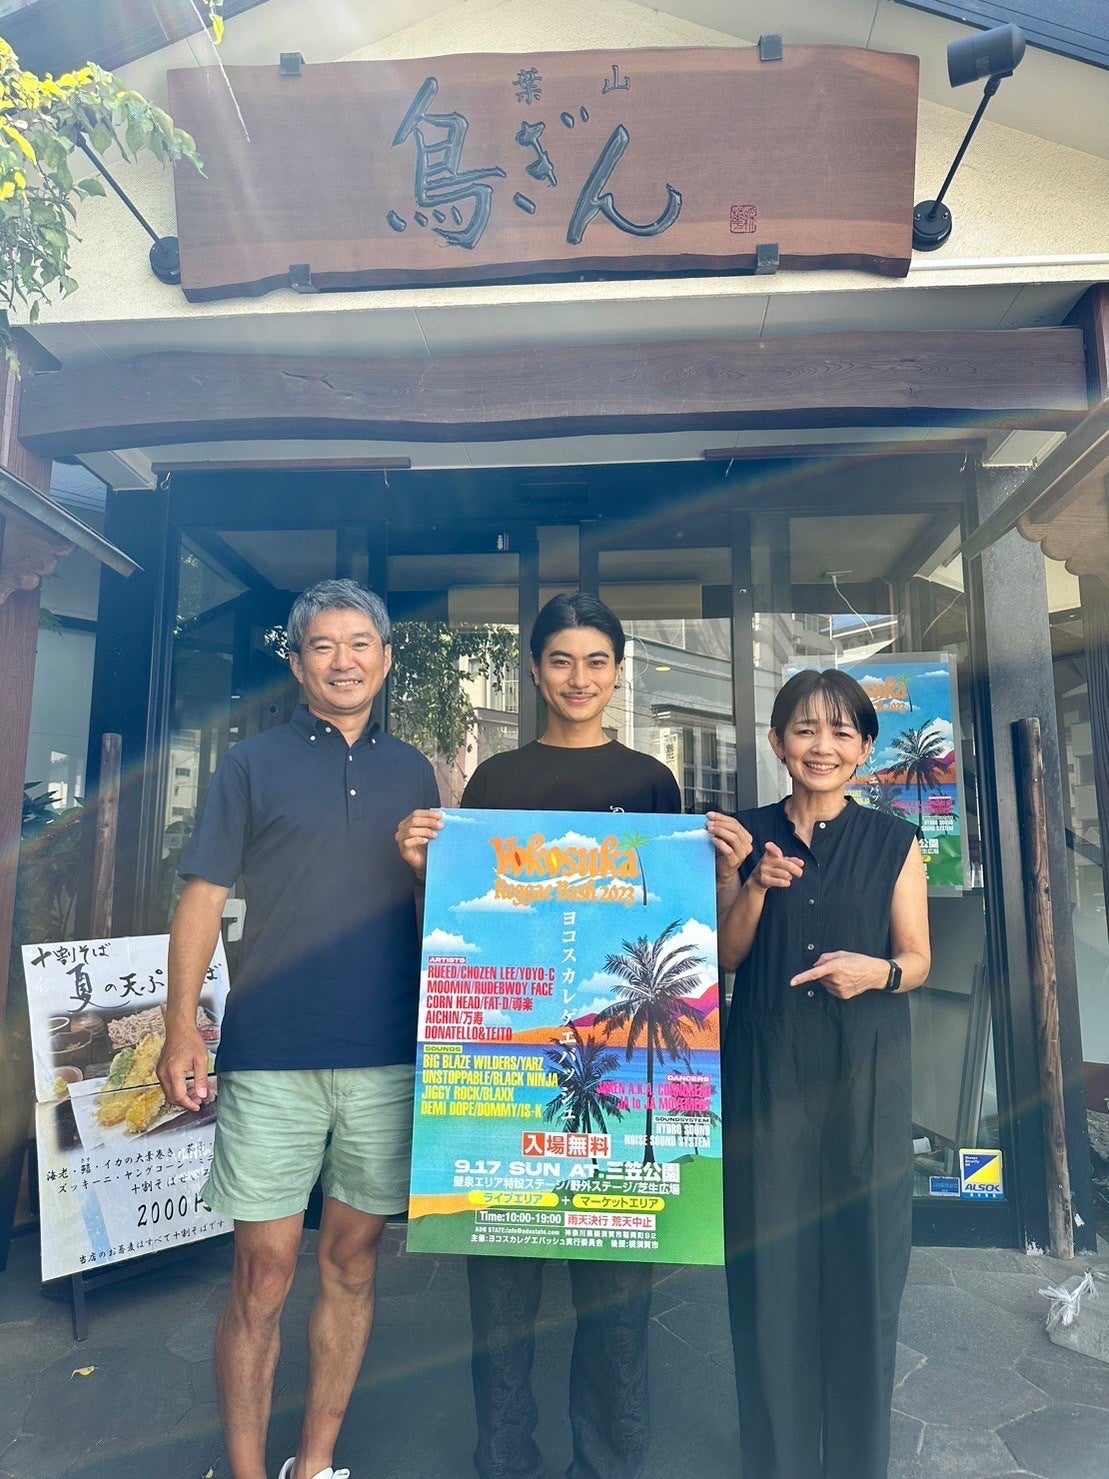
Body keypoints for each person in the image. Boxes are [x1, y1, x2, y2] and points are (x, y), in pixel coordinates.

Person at [397, 592, 750, 1479]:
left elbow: (675, 926)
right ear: (534, 670)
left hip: (619, 1081)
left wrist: (725, 875)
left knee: (618, 1309)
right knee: (500, 1306)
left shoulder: (652, 783)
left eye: (596, 661)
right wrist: (420, 872)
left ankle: (608, 1463)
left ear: (618, 671)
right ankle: (503, 1461)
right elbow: (450, 922)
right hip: (507, 1092)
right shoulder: (494, 782)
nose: (578, 678)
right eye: (561, 660)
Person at [157, 579, 439, 1479]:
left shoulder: (415, 772)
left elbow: (443, 910)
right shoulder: (250, 764)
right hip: (272, 1049)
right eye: (323, 644)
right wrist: (179, 1026)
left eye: (360, 644)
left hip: (385, 1052)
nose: (343, 660)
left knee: (353, 1260)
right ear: (296, 660)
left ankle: (314, 1463)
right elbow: (202, 897)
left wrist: (426, 869)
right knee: (263, 1269)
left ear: (385, 658)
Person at [718, 668, 931, 1479]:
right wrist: (753, 886)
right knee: (769, 1274)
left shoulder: (893, 841)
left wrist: (875, 971)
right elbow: (726, 955)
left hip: (863, 1075)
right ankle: (775, 1462)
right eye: (804, 729)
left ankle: (854, 1462)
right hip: (766, 1076)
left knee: (862, 1267)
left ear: (865, 747)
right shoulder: (744, 834)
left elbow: (916, 958)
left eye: (841, 731)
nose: (822, 745)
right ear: (777, 742)